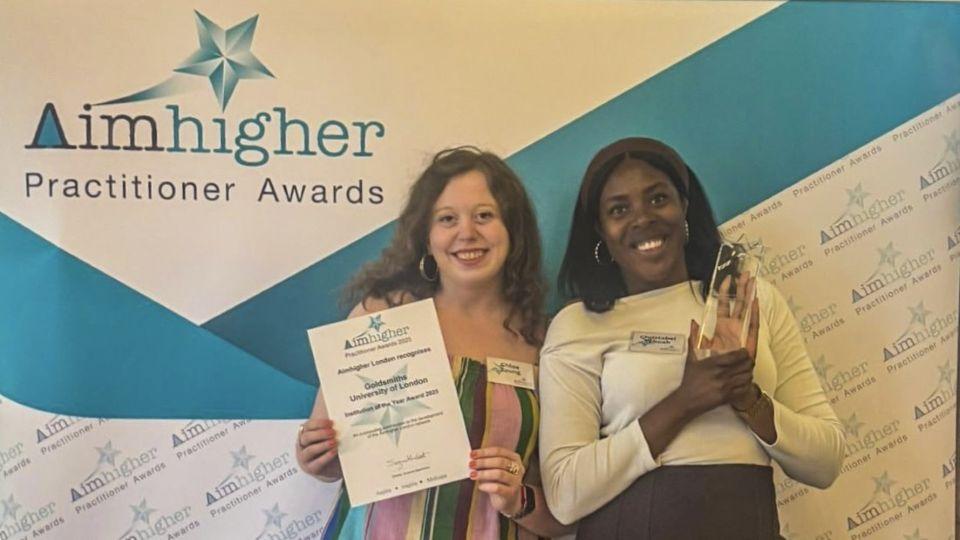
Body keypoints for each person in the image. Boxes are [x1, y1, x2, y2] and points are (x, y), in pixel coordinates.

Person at [538, 137, 845, 539]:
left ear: (684, 207)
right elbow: (564, 495)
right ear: (600, 230)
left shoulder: (748, 301)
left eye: (657, 198)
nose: (642, 218)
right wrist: (684, 402)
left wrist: (748, 401)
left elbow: (825, 463)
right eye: (619, 209)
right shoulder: (577, 324)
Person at [296, 147, 573, 539]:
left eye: (484, 216)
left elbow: (566, 512)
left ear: (513, 231)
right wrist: (316, 455)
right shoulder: (380, 316)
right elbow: (330, 461)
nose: (467, 232)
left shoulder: (545, 342)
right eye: (447, 219)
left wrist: (519, 497)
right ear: (426, 237)